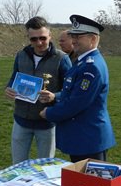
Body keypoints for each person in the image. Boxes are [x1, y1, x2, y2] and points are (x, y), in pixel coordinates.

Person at [40, 14, 115, 162]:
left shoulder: (91, 67)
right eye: (73, 36)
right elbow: (74, 92)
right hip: (82, 137)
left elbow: (76, 103)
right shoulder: (83, 61)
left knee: (90, 183)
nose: (73, 41)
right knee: (83, 182)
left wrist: (49, 113)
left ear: (93, 39)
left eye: (79, 37)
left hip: (88, 138)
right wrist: (56, 96)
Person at [5, 16, 72, 164]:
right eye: (33, 39)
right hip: (21, 120)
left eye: (43, 38)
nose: (39, 43)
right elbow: (13, 78)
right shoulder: (21, 55)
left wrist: (54, 96)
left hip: (46, 122)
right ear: (28, 37)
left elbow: (71, 90)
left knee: (46, 167)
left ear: (50, 36)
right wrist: (9, 88)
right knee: (18, 166)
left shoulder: (61, 58)